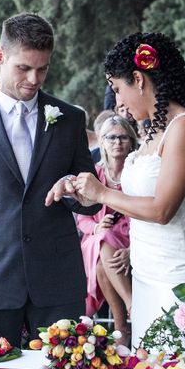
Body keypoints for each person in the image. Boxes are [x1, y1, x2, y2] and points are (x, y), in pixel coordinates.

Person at [0, 13, 100, 347]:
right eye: (23, 68)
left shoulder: (70, 119)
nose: (34, 79)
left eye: (42, 69)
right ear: (0, 56)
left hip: (58, 281)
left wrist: (74, 187)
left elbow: (91, 200)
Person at [66, 32, 185, 347]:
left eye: (118, 89)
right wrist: (83, 191)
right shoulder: (150, 134)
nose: (119, 102)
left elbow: (162, 209)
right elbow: (135, 201)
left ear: (138, 79)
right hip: (143, 274)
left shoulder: (184, 127)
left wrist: (102, 193)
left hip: (175, 276)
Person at [75, 115, 136, 342]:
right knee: (103, 237)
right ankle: (129, 309)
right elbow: (83, 218)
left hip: (133, 238)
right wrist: (96, 226)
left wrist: (133, 251)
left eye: (123, 137)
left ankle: (121, 326)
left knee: (102, 264)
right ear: (102, 142)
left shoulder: (136, 174)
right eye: (111, 137)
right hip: (98, 236)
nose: (117, 142)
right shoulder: (96, 175)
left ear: (131, 141)